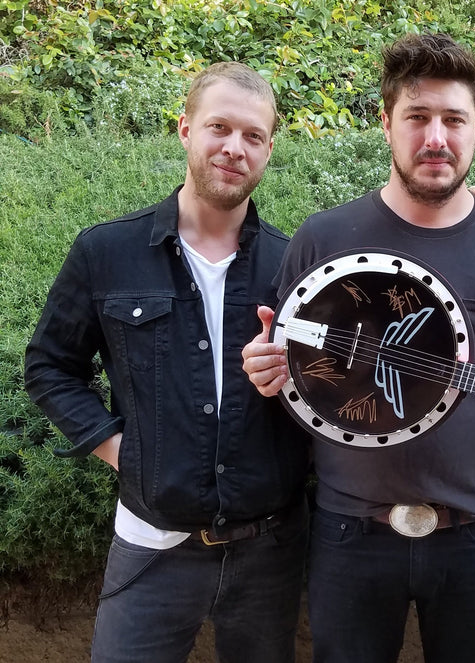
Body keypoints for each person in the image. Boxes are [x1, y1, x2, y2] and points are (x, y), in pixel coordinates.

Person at [240, 33, 475, 663]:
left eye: (454, 119)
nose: (436, 138)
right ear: (386, 122)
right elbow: (292, 364)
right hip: (350, 532)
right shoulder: (323, 238)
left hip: (474, 536)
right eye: (417, 117)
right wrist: (267, 370)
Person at [23, 62, 310, 663]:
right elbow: (50, 365)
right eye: (219, 128)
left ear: (268, 149)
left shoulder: (294, 268)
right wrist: (120, 449)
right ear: (185, 129)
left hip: (268, 552)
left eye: (253, 136)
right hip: (151, 542)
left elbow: (333, 387)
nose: (234, 148)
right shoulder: (106, 251)